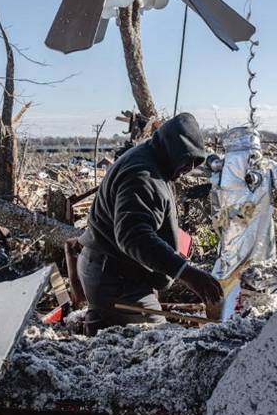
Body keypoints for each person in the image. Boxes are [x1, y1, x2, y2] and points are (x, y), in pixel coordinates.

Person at [77, 112, 223, 336]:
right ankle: (101, 324)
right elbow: (133, 235)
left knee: (117, 330)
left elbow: (145, 216)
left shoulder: (151, 159)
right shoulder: (142, 176)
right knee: (156, 339)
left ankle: (99, 321)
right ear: (173, 149)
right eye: (187, 160)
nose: (188, 169)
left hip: (109, 270)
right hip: (116, 281)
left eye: (195, 162)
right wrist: (186, 273)